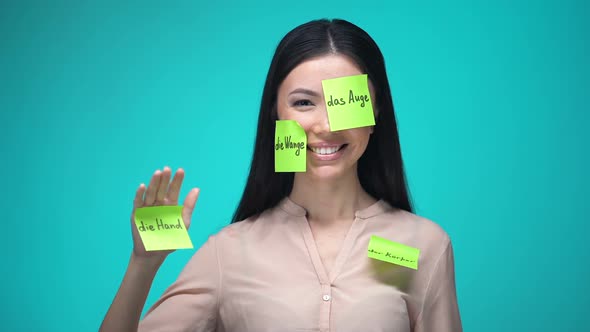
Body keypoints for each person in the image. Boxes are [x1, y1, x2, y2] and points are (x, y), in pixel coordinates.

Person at [100, 18, 462, 332]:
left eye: (347, 102)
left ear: (376, 110)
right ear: (276, 112)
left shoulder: (419, 246)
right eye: (303, 103)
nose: (324, 126)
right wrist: (143, 264)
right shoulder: (228, 253)